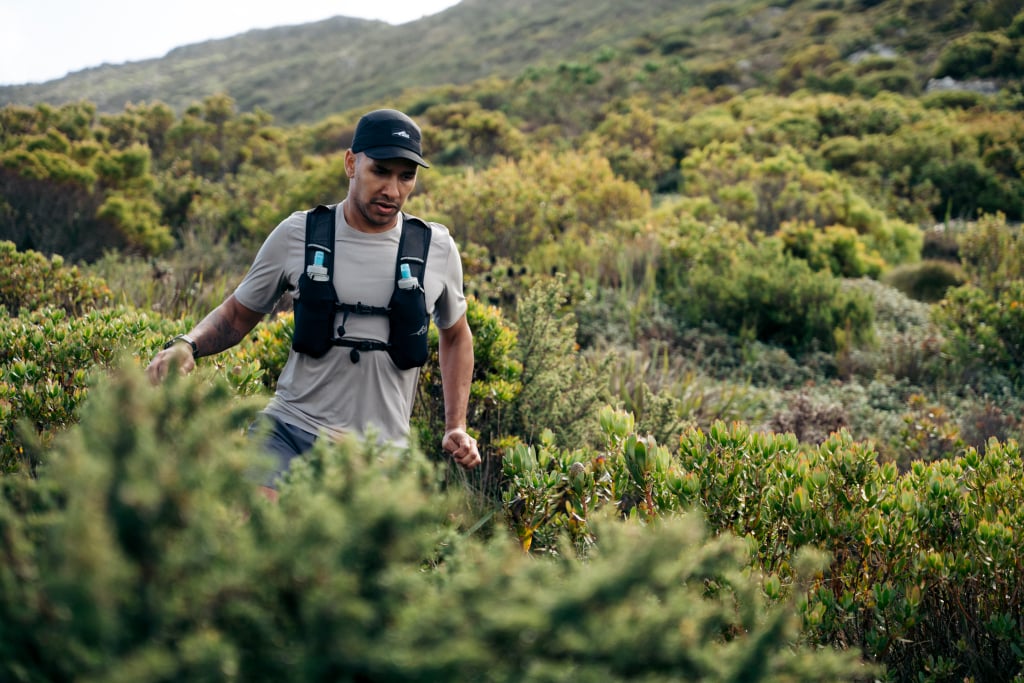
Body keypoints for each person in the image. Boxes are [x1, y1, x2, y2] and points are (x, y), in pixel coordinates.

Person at [147, 109, 480, 497]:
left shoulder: (435, 247)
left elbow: (456, 336)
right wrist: (186, 345)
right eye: (381, 171)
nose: (393, 190)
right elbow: (238, 314)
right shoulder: (299, 234)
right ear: (351, 163)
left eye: (406, 176)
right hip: (289, 430)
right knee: (249, 532)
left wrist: (455, 425)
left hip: (380, 455)